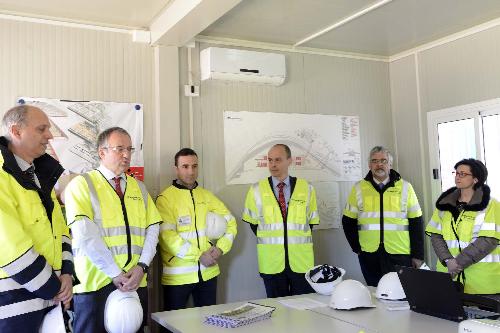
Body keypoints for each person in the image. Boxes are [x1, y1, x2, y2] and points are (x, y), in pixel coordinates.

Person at [64, 127, 161, 333]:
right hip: (95, 284)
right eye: (119, 149)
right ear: (102, 153)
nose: (126, 155)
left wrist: (142, 266)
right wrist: (115, 273)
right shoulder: (82, 185)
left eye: (129, 149)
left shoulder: (139, 188)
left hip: (135, 281)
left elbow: (153, 229)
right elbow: (84, 235)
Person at [0, 105, 73, 332]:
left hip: (50, 300)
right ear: (16, 131)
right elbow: (9, 246)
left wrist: (67, 274)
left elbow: (60, 230)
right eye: (42, 129)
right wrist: (55, 287)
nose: (49, 136)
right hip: (15, 305)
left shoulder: (39, 175)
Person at [156, 148, 237, 312]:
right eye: (185, 166)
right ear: (176, 169)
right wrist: (199, 255)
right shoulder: (165, 199)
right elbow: (167, 237)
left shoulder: (206, 196)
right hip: (178, 278)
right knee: (173, 326)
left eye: (194, 166)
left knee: (208, 324)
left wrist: (221, 248)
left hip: (208, 273)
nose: (191, 171)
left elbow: (231, 222)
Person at [242, 144, 319, 297]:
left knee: (303, 310)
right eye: (270, 160)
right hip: (272, 264)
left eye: (278, 160)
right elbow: (253, 224)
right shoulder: (256, 190)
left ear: (289, 161)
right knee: (279, 312)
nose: (273, 165)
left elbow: (310, 223)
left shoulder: (307, 188)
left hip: (301, 262)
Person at [342, 146, 424, 287]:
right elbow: (347, 221)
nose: (379, 164)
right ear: (369, 165)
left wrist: (417, 255)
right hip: (369, 254)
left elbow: (416, 223)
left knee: (401, 294)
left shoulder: (405, 187)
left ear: (390, 164)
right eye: (374, 161)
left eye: (383, 161)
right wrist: (357, 248)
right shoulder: (359, 188)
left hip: (399, 253)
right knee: (375, 293)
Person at [426, 158, 499, 294]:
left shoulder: (491, 205)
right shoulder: (444, 205)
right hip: (448, 276)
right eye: (456, 173)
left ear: (476, 179)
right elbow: (436, 235)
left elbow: (488, 240)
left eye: (463, 174)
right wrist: (447, 260)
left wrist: (457, 263)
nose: (458, 177)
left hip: (482, 281)